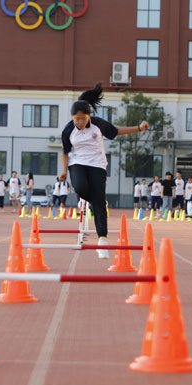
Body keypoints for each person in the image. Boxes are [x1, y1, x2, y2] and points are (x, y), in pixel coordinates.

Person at [59, 83, 149, 258]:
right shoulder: (68, 130)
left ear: (89, 116)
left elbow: (116, 132)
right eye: (76, 119)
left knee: (99, 202)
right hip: (77, 162)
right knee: (80, 188)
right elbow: (65, 152)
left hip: (97, 164)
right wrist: (64, 170)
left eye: (83, 119)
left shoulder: (98, 125)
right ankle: (97, 201)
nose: (80, 122)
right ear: (72, 117)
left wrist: (138, 128)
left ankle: (102, 240)